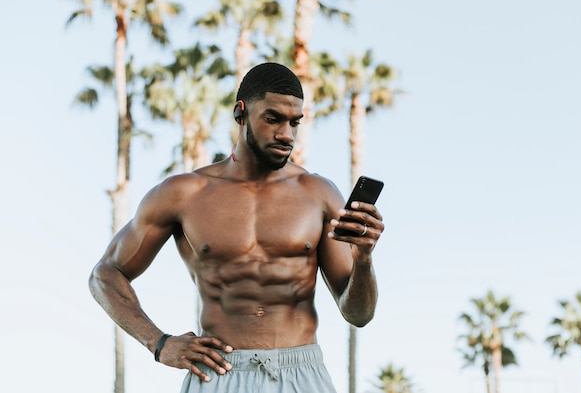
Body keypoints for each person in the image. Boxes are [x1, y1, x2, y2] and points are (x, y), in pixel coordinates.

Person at [89, 62, 384, 393]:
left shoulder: (318, 193)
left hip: (301, 373)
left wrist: (363, 258)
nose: (286, 134)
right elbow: (105, 274)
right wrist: (159, 343)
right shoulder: (185, 193)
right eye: (272, 119)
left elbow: (359, 314)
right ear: (240, 113)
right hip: (219, 373)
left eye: (294, 122)